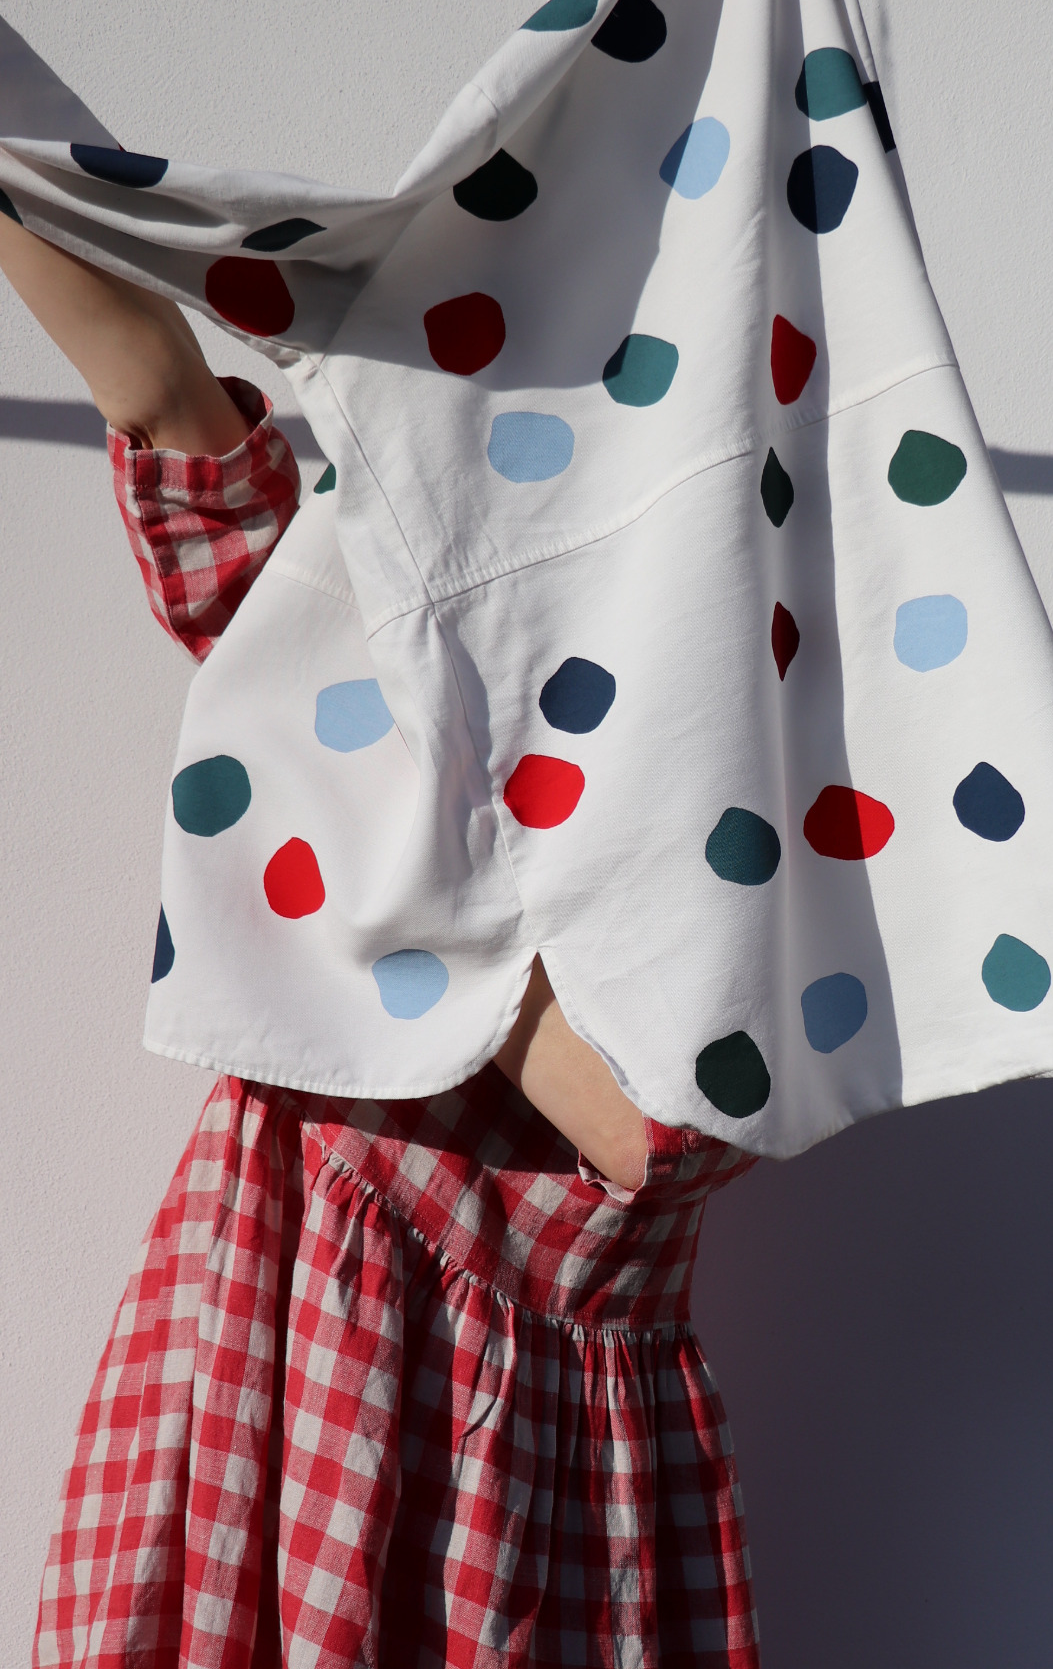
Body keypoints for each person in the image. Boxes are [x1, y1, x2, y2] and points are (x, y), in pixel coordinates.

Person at [1, 212, 762, 1669]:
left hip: (504, 1497)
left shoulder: (724, 828)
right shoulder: (350, 678)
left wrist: (382, 851)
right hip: (264, 1385)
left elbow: (652, 1129)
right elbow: (159, 394)